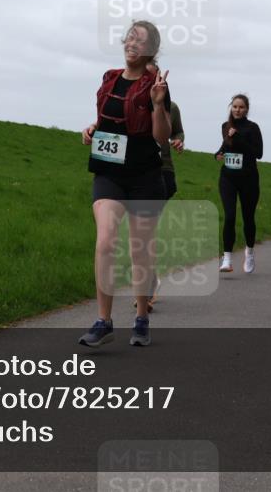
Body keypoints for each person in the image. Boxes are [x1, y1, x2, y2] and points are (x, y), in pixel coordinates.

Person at [80, 20, 170, 348]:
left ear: (150, 50)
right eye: (130, 35)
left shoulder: (155, 83)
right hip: (108, 173)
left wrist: (158, 103)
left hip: (144, 176)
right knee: (105, 241)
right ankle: (103, 320)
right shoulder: (109, 78)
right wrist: (91, 129)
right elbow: (108, 120)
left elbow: (161, 136)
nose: (133, 41)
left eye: (140, 39)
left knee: (139, 250)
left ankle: (142, 318)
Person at [137, 101, 184, 311]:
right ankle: (150, 281)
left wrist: (178, 141)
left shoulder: (170, 107)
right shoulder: (131, 101)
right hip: (133, 173)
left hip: (162, 172)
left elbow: (179, 132)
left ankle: (146, 289)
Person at [214, 94, 263, 274]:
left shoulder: (252, 128)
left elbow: (258, 153)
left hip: (248, 179)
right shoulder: (226, 126)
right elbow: (226, 147)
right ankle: (226, 257)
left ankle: (249, 252)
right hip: (228, 178)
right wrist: (218, 154)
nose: (237, 110)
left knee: (248, 218)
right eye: (235, 106)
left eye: (241, 107)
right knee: (229, 216)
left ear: (246, 109)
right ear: (231, 107)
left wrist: (240, 137)